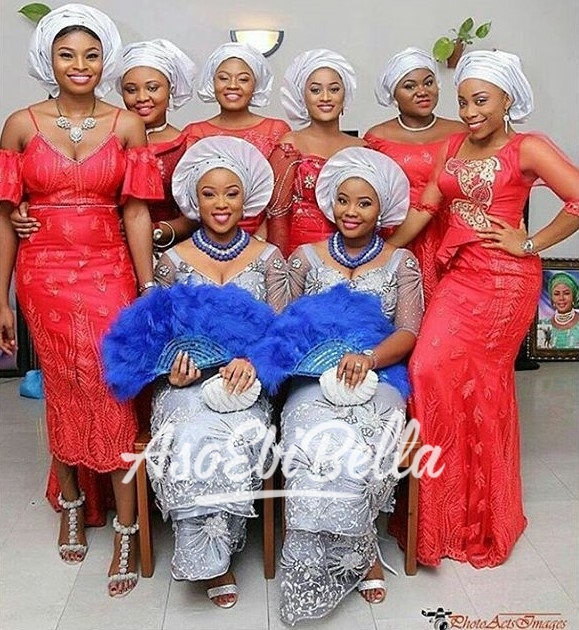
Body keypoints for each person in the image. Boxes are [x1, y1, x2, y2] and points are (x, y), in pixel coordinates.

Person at [388, 50, 579, 568]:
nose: (469, 112)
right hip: (460, 274)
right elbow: (427, 206)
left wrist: (530, 243)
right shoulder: (452, 144)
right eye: (463, 101)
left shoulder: (528, 147)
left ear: (506, 99)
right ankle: (440, 514)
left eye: (480, 101)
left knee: (482, 383)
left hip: (506, 281)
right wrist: (383, 251)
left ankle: (484, 516)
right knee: (428, 370)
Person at [0, 4, 163, 597]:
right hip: (41, 273)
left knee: (110, 384)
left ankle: (126, 526)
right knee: (62, 385)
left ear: (105, 61)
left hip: (108, 269)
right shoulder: (20, 125)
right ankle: (72, 501)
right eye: (67, 54)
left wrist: (146, 286)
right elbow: (4, 216)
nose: (80, 64)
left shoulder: (127, 125)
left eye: (91, 55)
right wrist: (0, 298)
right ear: (48, 60)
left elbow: (136, 212)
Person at [104, 137, 288, 608]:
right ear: (194, 201)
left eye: (231, 193)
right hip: (184, 387)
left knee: (232, 434)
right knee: (189, 433)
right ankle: (207, 556)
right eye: (209, 194)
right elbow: (155, 338)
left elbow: (283, 335)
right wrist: (172, 374)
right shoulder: (171, 262)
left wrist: (253, 362)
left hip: (244, 385)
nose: (221, 203)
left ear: (246, 199)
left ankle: (220, 541)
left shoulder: (270, 259)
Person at [265, 147, 423, 624]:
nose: (351, 212)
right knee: (314, 444)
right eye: (343, 200)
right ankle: (331, 559)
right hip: (313, 380)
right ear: (330, 204)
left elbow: (409, 331)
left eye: (364, 203)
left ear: (383, 210)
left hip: (381, 374)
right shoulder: (304, 259)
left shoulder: (402, 262)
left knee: (361, 445)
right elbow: (281, 327)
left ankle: (359, 549)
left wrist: (369, 358)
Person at [364, 47, 465, 304]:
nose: (422, 91)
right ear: (393, 95)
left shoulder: (460, 132)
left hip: (450, 233)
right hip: (399, 234)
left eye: (428, 82)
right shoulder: (377, 137)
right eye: (410, 86)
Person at [182, 42, 290, 236]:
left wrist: (259, 244)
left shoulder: (277, 130)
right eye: (223, 78)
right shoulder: (194, 132)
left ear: (256, 84)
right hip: (207, 238)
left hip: (263, 238)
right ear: (212, 82)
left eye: (243, 79)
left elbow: (280, 201)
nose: (232, 85)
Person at [266, 49, 366, 257]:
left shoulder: (363, 148)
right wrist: (279, 265)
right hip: (300, 254)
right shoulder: (290, 144)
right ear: (303, 97)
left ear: (345, 95)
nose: (325, 97)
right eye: (315, 90)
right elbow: (277, 215)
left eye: (334, 89)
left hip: (352, 255)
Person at [538, 272, 579, 349]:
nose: (561, 298)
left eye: (566, 293)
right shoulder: (543, 325)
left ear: (574, 296)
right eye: (556, 294)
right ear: (552, 298)